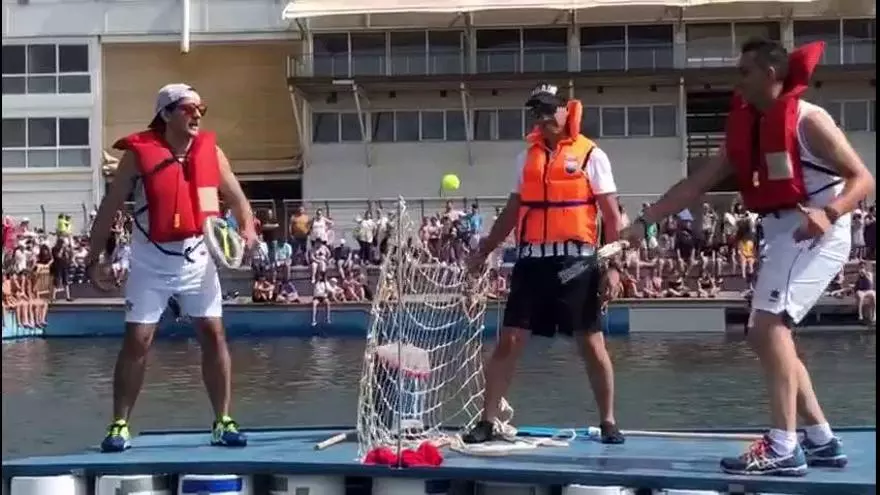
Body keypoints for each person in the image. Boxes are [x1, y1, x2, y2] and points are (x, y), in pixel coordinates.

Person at [621, 39, 874, 476]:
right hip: (780, 234)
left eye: (745, 71)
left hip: (818, 230)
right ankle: (821, 440)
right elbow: (696, 183)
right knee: (765, 335)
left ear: (770, 74)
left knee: (768, 327)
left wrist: (830, 213)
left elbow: (863, 178)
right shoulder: (745, 126)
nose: (736, 81)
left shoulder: (809, 121)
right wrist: (645, 222)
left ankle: (783, 446)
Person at [87, 83, 258, 452]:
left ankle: (223, 421)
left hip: (198, 258)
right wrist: (94, 256)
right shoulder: (137, 156)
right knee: (138, 340)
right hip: (150, 260)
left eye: (201, 109)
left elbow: (238, 199)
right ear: (165, 114)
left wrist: (247, 229)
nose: (197, 116)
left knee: (213, 334)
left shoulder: (212, 152)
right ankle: (119, 425)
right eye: (188, 109)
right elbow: (109, 207)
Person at [463, 84, 626, 445]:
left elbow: (612, 217)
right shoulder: (526, 159)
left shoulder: (592, 155)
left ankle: (608, 421)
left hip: (577, 263)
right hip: (532, 260)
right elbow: (511, 213)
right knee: (509, 340)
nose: (544, 117)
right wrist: (485, 250)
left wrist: (614, 266)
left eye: (550, 109)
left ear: (568, 110)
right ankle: (487, 420)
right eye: (537, 111)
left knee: (591, 342)